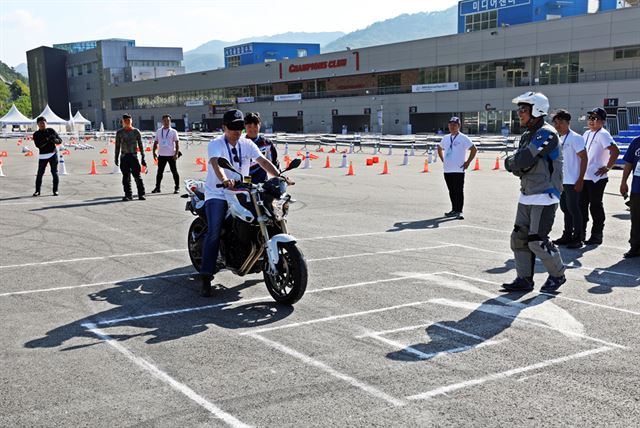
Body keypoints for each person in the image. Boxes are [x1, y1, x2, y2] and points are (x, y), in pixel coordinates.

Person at [200, 109, 281, 297]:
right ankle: (205, 276)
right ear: (224, 128)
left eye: (239, 126)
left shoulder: (247, 143)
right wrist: (224, 179)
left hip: (242, 190)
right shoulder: (216, 144)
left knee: (265, 215)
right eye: (233, 127)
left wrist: (280, 176)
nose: (237, 131)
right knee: (214, 231)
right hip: (218, 192)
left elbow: (263, 161)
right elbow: (216, 163)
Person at [503, 92, 566, 293]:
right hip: (527, 192)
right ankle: (524, 279)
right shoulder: (527, 135)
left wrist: (515, 162)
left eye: (523, 109)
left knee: (537, 240)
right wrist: (515, 162)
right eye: (519, 109)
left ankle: (558, 275)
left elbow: (522, 160)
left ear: (536, 110)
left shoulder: (546, 133)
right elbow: (517, 164)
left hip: (545, 194)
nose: (519, 113)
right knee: (518, 238)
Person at [579, 107, 620, 246]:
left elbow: (615, 151)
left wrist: (608, 167)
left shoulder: (603, 134)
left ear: (602, 121)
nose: (591, 121)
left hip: (597, 178)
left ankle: (597, 234)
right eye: (590, 118)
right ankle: (580, 233)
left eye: (595, 118)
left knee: (595, 206)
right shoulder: (586, 133)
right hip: (584, 176)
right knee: (581, 206)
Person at [551, 109, 588, 249]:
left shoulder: (575, 138)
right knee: (565, 208)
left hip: (573, 180)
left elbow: (584, 158)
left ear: (568, 122)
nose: (558, 125)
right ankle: (567, 235)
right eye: (555, 123)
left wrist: (580, 179)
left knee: (574, 209)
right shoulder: (559, 138)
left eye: (561, 122)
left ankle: (578, 237)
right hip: (562, 181)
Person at [437, 116, 477, 220]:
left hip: (458, 169)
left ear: (459, 126)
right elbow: (439, 148)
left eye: (454, 125)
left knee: (459, 190)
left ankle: (459, 211)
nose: (452, 126)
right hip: (447, 169)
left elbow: (473, 149)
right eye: (450, 124)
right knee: (451, 190)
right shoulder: (445, 138)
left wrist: (467, 162)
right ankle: (454, 209)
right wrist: (443, 160)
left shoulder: (463, 137)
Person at [114, 114, 146, 201]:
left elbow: (141, 145)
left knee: (137, 176)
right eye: (125, 121)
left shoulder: (136, 131)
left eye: (129, 120)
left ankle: (141, 194)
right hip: (124, 156)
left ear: (131, 121)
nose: (127, 122)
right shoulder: (119, 132)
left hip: (133, 156)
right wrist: (116, 157)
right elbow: (117, 146)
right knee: (126, 177)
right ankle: (128, 194)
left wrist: (143, 157)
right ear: (123, 122)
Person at [244, 112, 280, 183]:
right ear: (245, 126)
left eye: (255, 126)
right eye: (249, 127)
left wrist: (280, 176)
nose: (252, 129)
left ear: (259, 125)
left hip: (262, 182)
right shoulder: (241, 143)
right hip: (246, 181)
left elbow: (274, 162)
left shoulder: (267, 143)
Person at [620, 135, 640, 258]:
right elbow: (629, 163)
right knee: (636, 219)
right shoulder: (636, 142)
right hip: (637, 188)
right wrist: (623, 182)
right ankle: (635, 246)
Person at [32, 116, 62, 196]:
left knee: (54, 172)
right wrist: (47, 140)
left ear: (46, 123)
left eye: (44, 123)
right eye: (40, 123)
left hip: (53, 154)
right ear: (37, 124)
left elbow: (60, 141)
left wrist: (54, 140)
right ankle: (37, 191)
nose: (42, 124)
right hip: (43, 156)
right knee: (40, 174)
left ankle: (55, 190)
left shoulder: (51, 131)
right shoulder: (36, 134)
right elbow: (38, 145)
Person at [151, 114, 180, 194]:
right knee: (159, 172)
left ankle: (177, 187)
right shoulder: (159, 131)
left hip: (171, 155)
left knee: (174, 171)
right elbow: (156, 142)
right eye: (165, 121)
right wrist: (153, 152)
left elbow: (177, 143)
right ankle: (157, 187)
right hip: (161, 155)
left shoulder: (173, 131)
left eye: (168, 121)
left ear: (170, 121)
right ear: (162, 122)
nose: (166, 122)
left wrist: (176, 154)